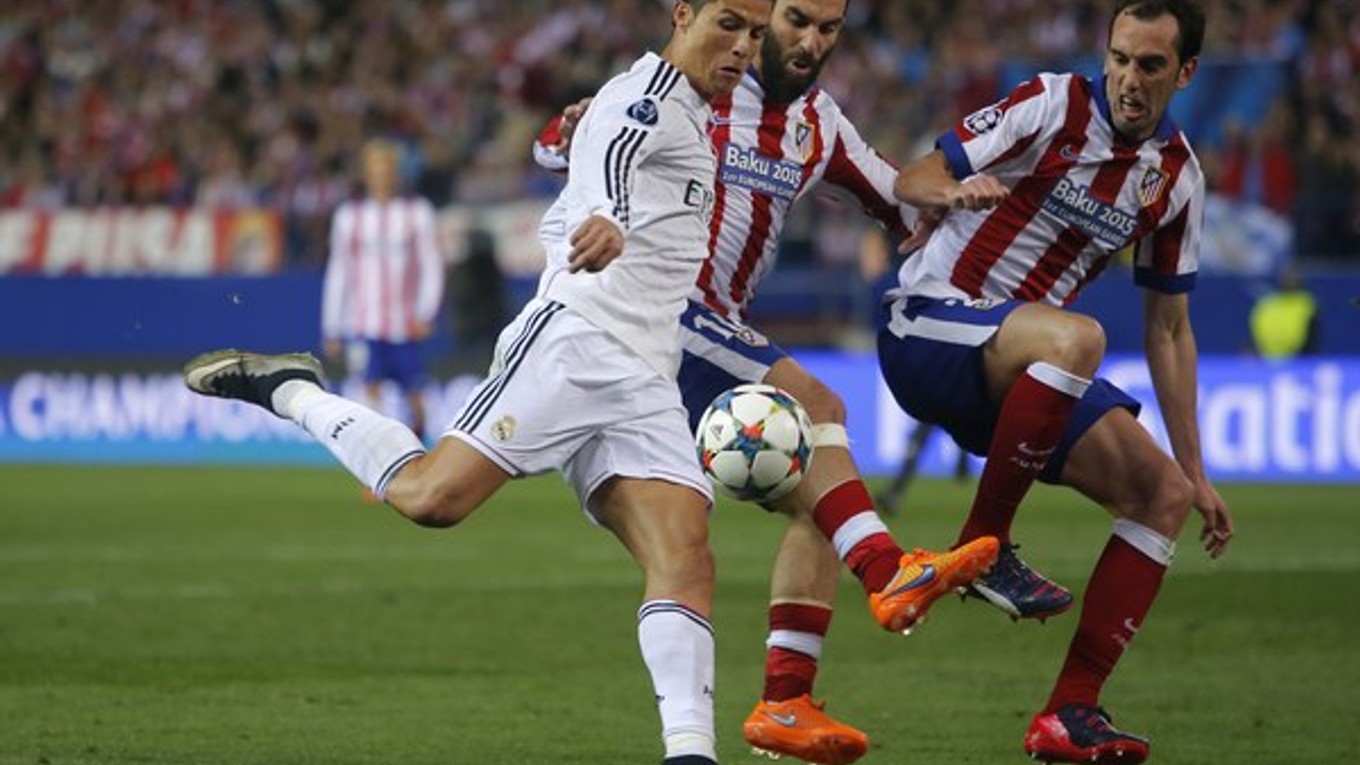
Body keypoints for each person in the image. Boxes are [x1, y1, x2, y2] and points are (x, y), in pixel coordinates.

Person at [183, 2, 773, 763]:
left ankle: (691, 753)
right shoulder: (647, 96)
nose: (743, 48)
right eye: (729, 24)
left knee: (686, 554)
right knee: (433, 499)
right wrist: (609, 215)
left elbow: (591, 140)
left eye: (755, 35)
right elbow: (617, 152)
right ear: (682, 13)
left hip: (646, 371)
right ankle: (292, 389)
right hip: (575, 340)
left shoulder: (691, 111)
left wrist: (563, 144)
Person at [538, 2, 1000, 762]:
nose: (810, 42)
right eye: (795, 20)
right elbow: (570, 151)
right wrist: (568, 130)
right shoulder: (691, 86)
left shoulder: (818, 126)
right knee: (820, 409)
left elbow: (896, 197)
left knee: (822, 489)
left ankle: (786, 701)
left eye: (828, 28)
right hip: (659, 311)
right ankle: (887, 570)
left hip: (710, 331)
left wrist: (954, 195)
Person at [880, 1, 1235, 762]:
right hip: (929, 324)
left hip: (1021, 378)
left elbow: (1169, 328)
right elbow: (918, 174)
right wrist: (953, 191)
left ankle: (1069, 711)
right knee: (1079, 336)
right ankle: (984, 546)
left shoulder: (1175, 180)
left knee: (1162, 495)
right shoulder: (1051, 103)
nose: (1127, 79)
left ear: (1186, 73)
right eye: (1119, 58)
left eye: (1149, 66)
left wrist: (1199, 471)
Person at [320, 139, 444, 441]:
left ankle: (418, 451)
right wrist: (332, 326)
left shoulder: (418, 212)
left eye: (388, 169)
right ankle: (377, 470)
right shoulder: (349, 216)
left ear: (397, 173)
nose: (383, 176)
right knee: (369, 393)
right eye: (376, 170)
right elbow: (339, 271)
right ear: (366, 175)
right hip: (364, 324)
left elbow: (432, 265)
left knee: (415, 396)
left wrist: (426, 311)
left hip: (405, 324)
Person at [1249, 266, 1319, 359]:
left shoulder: (1308, 304)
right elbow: (1255, 336)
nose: (1289, 281)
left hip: (1298, 360)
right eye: (1286, 278)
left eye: (1293, 278)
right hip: (1265, 360)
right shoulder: (1267, 304)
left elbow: (1312, 340)